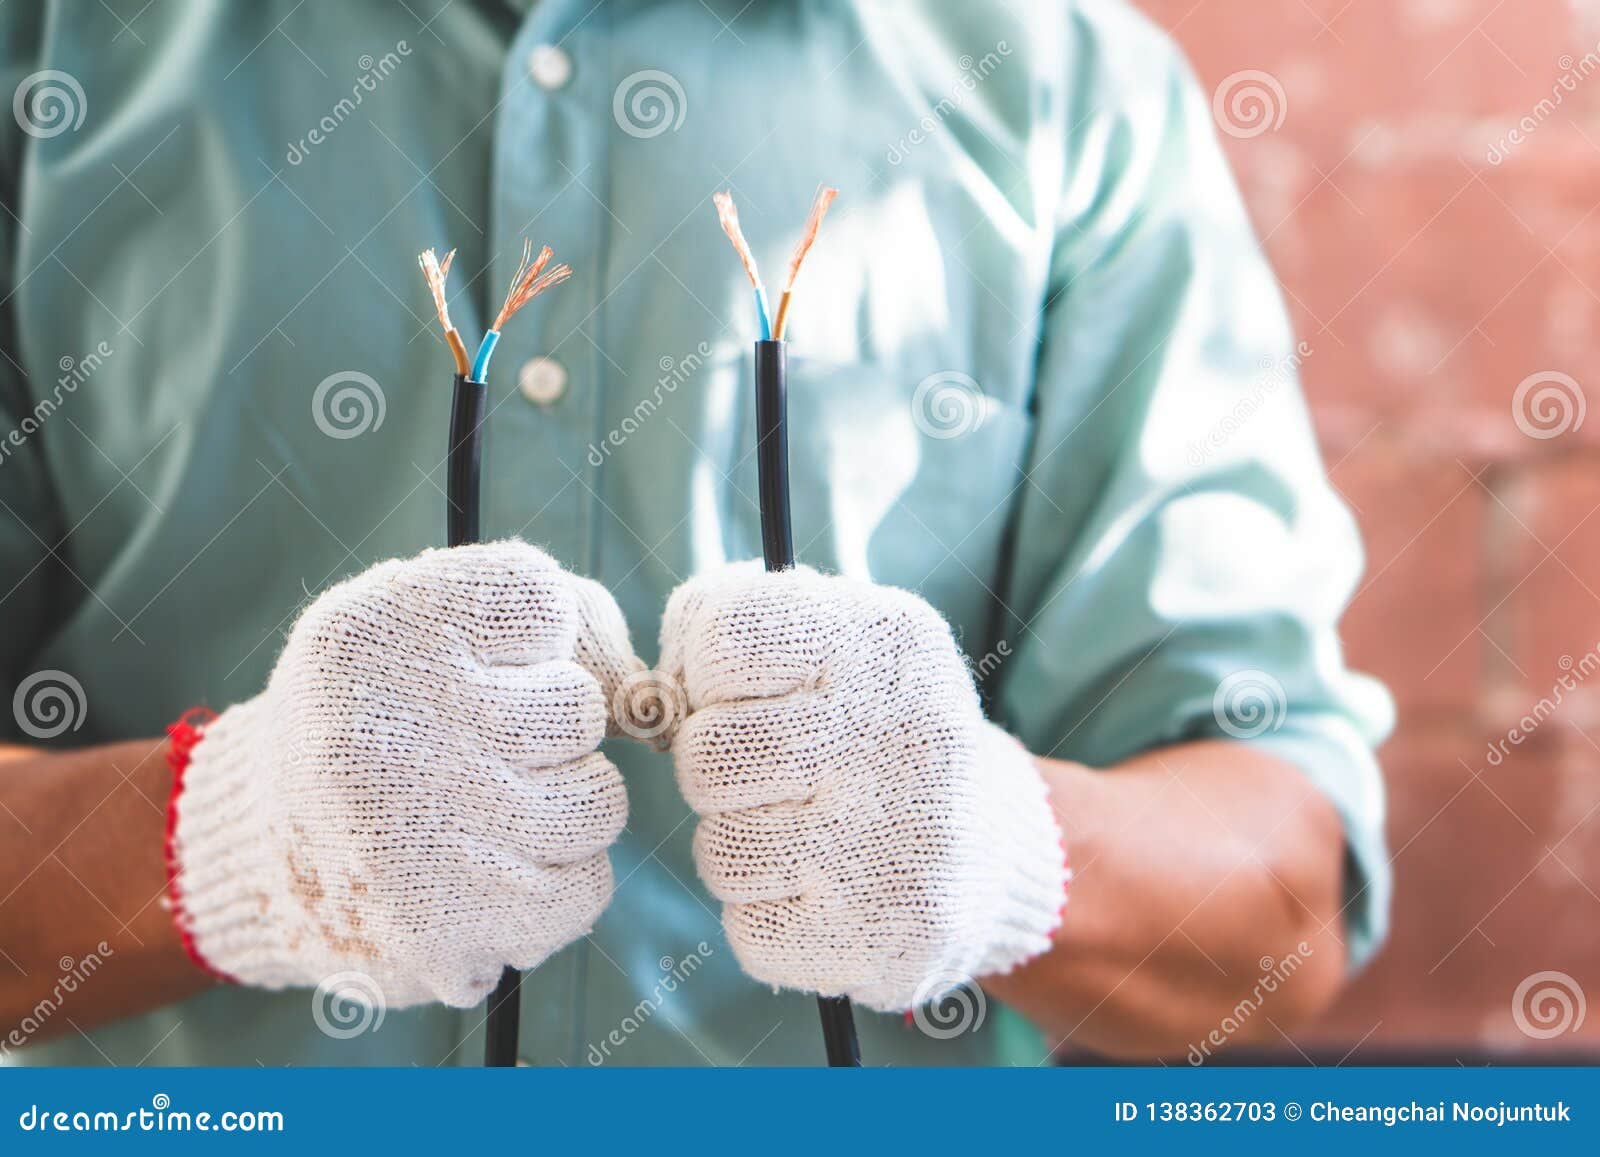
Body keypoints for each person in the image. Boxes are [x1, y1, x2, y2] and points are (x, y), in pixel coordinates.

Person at [0, 0, 1391, 1067]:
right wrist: (226, 839)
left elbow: (1283, 909)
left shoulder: (1064, 84)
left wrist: (1004, 854)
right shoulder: (45, 60)